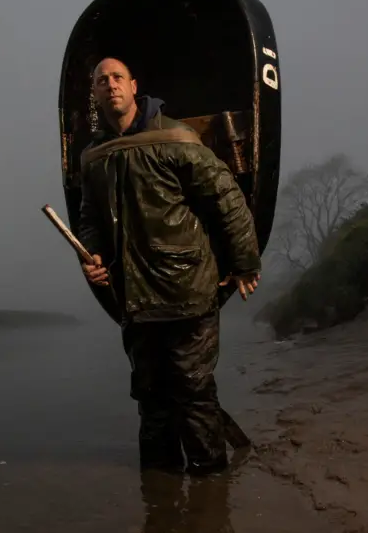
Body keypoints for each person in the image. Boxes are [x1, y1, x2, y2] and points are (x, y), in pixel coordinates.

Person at [78, 57, 261, 475]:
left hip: (187, 292)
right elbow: (89, 219)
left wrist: (245, 262)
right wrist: (90, 259)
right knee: (151, 401)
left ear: (134, 85)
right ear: (95, 93)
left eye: (118, 77)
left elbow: (227, 198)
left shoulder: (176, 137)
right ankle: (159, 499)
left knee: (194, 394)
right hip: (135, 299)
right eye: (102, 80)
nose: (110, 85)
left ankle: (210, 490)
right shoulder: (93, 156)